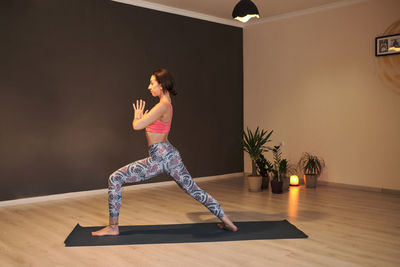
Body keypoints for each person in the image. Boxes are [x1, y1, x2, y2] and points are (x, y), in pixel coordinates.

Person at [92, 69, 238, 236]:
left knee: (115, 178)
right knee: (195, 190)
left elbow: (136, 126)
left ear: (161, 86)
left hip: (160, 157)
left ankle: (113, 227)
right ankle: (229, 223)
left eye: (152, 83)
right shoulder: (166, 104)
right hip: (169, 155)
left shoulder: (162, 106)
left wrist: (136, 116)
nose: (149, 87)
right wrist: (143, 119)